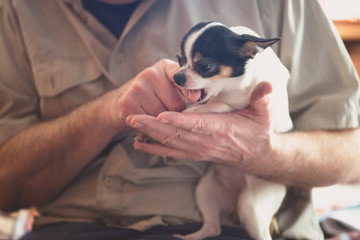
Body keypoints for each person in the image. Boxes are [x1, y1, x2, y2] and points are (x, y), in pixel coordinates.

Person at [0, 0, 359, 239]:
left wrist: (264, 152)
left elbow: (351, 153)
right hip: (73, 228)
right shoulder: (16, 10)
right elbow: (5, 186)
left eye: (201, 67)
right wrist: (105, 114)